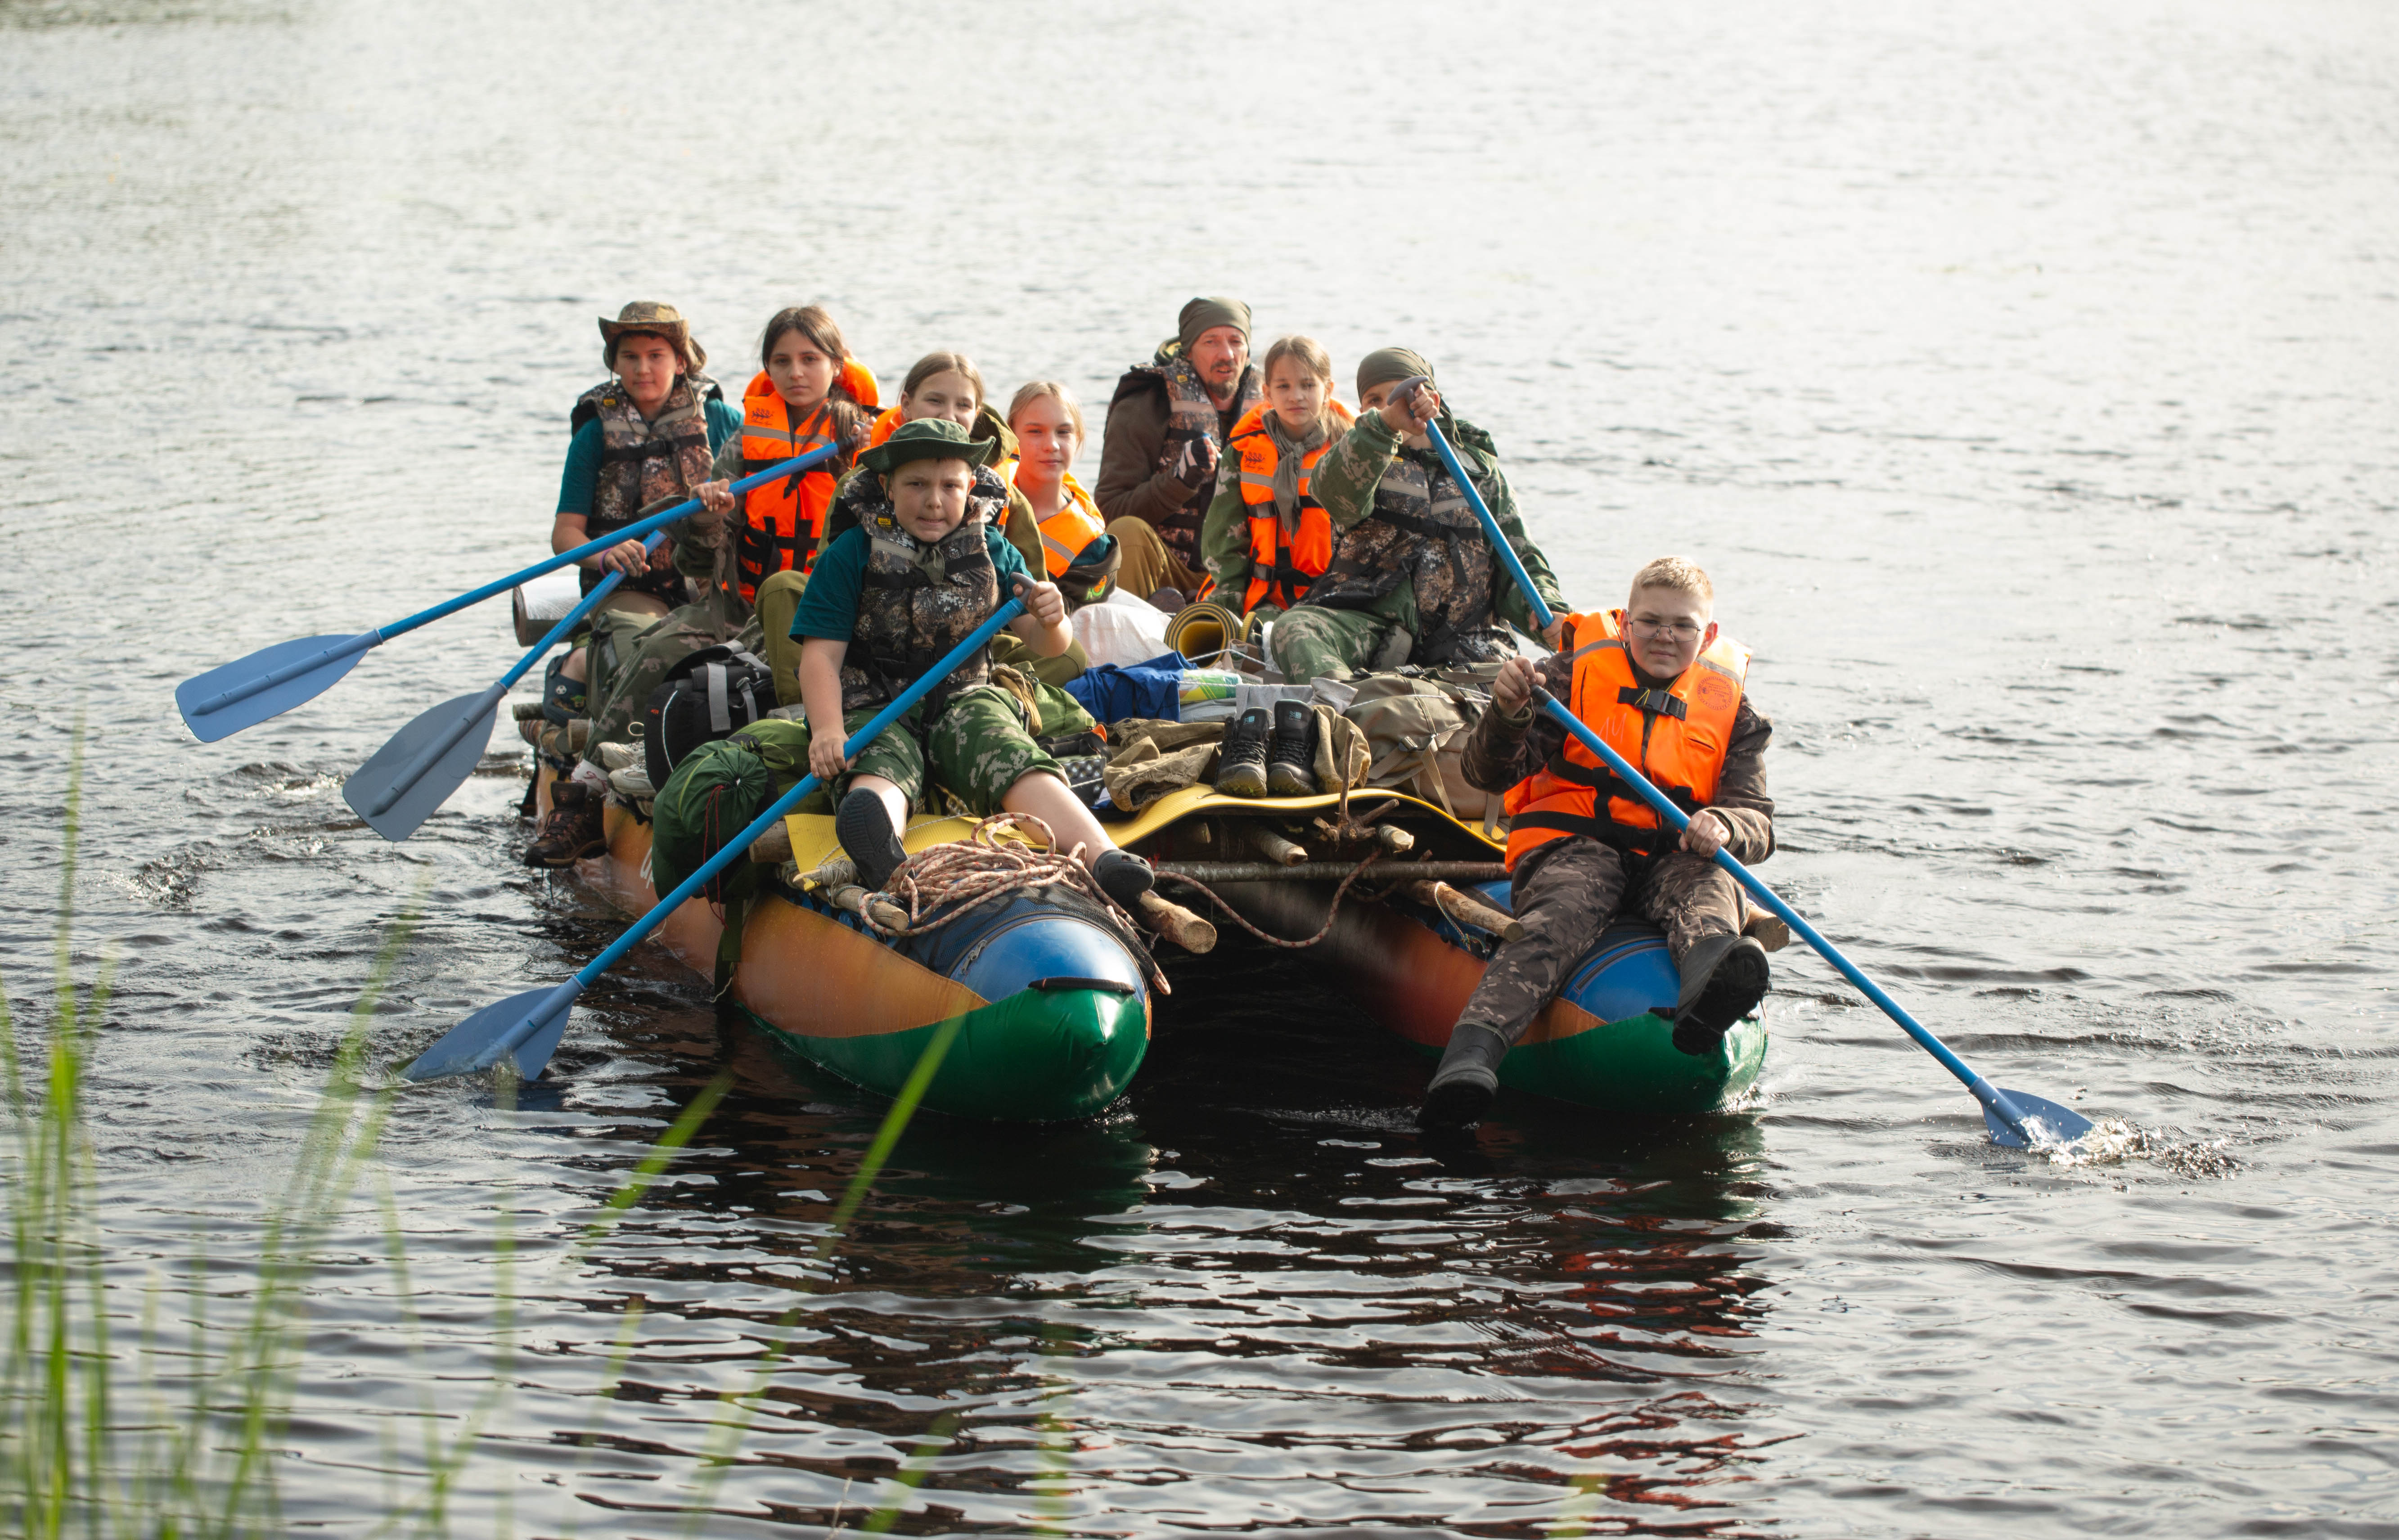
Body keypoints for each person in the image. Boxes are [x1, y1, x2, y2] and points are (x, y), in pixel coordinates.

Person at [1417, 557, 1774, 1130]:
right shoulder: (1565, 678)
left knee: (1713, 885)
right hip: (1577, 845)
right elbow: (1489, 773)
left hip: (1673, 857)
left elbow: (1756, 820)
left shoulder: (1736, 713)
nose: (1665, 635)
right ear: (1626, 622)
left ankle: (1710, 994)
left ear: (1707, 635)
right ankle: (1470, 1060)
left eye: (1682, 625)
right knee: (1559, 912)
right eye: (1650, 621)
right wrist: (1507, 714)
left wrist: (1726, 825)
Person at [787, 419, 1155, 908]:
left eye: (950, 486)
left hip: (963, 698)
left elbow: (1049, 645)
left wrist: (1051, 616)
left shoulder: (995, 550)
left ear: (970, 487)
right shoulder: (850, 553)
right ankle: (883, 845)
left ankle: (1103, 856)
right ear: (887, 487)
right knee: (881, 760)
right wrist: (829, 730)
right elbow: (820, 658)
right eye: (916, 485)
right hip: (877, 704)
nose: (934, 500)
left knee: (1011, 752)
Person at [527, 302, 741, 867]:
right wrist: (603, 553)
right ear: (614, 362)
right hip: (631, 585)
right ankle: (582, 697)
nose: (643, 368)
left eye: (656, 356)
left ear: (680, 361)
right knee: (634, 641)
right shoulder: (597, 429)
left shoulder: (720, 420)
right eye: (630, 357)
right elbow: (564, 532)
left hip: (706, 585)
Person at [1268, 349, 1568, 682]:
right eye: (1376, 400)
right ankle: (1348, 705)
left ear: (1432, 400)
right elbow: (1330, 490)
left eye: (1402, 395)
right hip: (1371, 627)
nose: (1391, 405)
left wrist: (1548, 613)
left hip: (1467, 639)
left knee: (1541, 678)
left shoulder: (1479, 471)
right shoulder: (1360, 457)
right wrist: (1385, 426)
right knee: (1293, 628)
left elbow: (1519, 555)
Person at [683, 306, 877, 705]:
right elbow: (702, 555)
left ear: (837, 366)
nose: (796, 373)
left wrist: (870, 450)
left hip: (836, 608)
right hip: (749, 607)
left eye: (810, 360)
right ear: (768, 369)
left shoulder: (864, 434)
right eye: (782, 361)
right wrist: (708, 516)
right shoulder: (745, 438)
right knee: (656, 652)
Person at [1095, 297, 1261, 604]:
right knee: (1126, 531)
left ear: (1247, 351)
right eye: (1210, 341)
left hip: (1245, 572)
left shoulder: (1275, 405)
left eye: (1236, 342)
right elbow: (1108, 513)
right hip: (1169, 570)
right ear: (1187, 350)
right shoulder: (1144, 405)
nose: (1226, 354)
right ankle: (1134, 630)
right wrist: (1180, 480)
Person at [841, 351, 1045, 572]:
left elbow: (1035, 588)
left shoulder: (1006, 496)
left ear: (976, 414)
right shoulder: (856, 487)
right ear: (907, 406)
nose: (949, 415)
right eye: (935, 401)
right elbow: (828, 574)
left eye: (963, 405)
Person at [1199, 335, 1355, 618]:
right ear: (1268, 393)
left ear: (1328, 390)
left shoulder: (1350, 448)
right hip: (1264, 600)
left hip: (1332, 600)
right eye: (1284, 386)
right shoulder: (1243, 450)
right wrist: (1228, 608)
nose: (1296, 396)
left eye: (1308, 385)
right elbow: (1224, 538)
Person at [1006, 380, 1120, 607]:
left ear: (1078, 438)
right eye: (1035, 431)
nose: (1052, 445)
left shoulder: (1093, 548)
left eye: (1064, 432)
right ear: (1011, 436)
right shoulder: (983, 496)